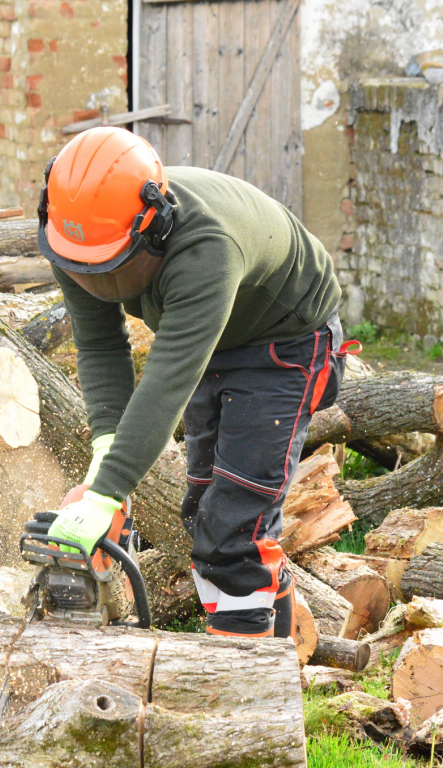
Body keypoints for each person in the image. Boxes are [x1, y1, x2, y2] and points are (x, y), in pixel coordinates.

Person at [27, 125, 349, 639]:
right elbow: (100, 346)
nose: (96, 282)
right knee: (204, 511)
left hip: (286, 342)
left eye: (111, 266)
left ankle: (242, 690)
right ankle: (273, 649)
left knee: (232, 526)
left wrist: (107, 493)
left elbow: (166, 382)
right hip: (218, 337)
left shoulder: (205, 250)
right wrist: (102, 466)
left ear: (154, 227)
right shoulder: (75, 232)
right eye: (83, 269)